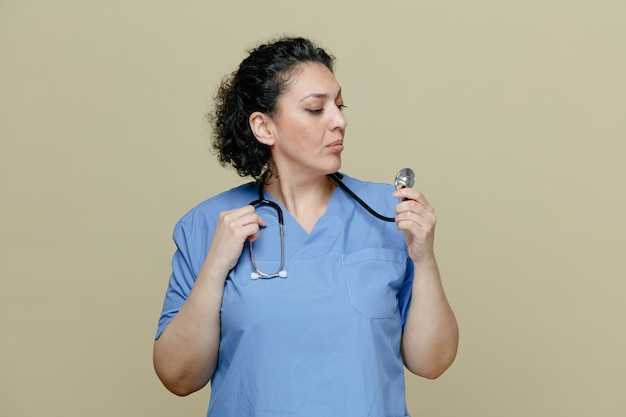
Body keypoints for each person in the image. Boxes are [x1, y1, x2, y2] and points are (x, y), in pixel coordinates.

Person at [153, 36, 459, 417]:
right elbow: (178, 378)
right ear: (264, 128)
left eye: (340, 105)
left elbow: (432, 364)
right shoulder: (207, 224)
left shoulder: (390, 214)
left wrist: (425, 259)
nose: (340, 121)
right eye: (316, 109)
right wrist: (214, 267)